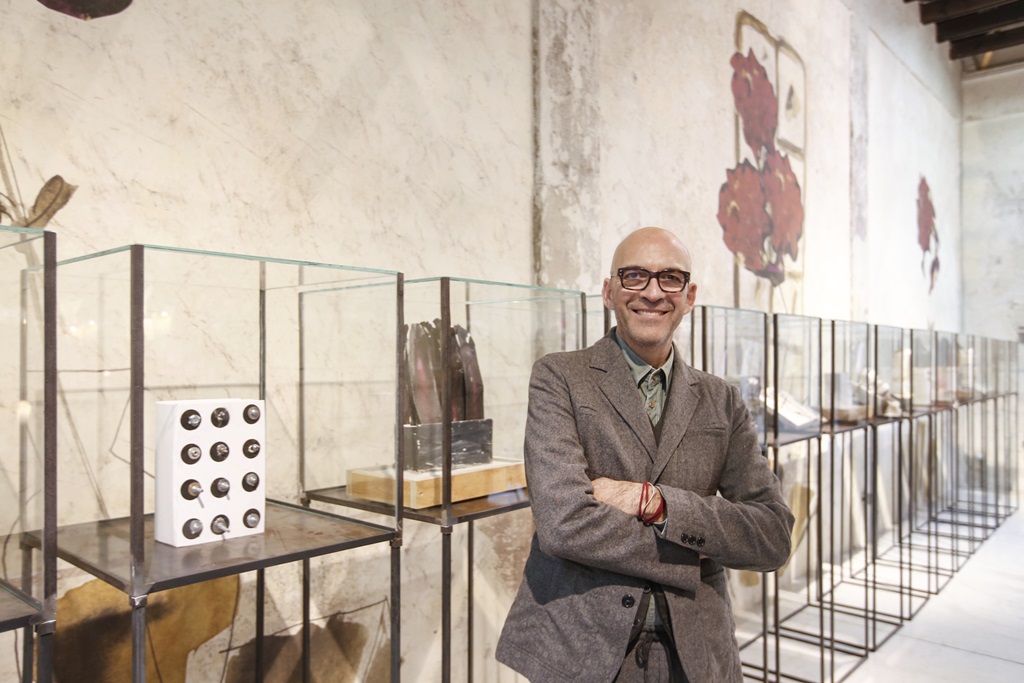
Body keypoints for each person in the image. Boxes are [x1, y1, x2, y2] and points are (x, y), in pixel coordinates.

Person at [496, 227, 794, 682]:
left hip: (696, 651)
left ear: (689, 296)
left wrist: (653, 502)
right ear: (609, 291)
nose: (652, 293)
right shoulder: (561, 378)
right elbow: (562, 523)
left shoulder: (722, 400)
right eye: (634, 276)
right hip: (581, 646)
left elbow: (771, 535)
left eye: (670, 278)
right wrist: (694, 553)